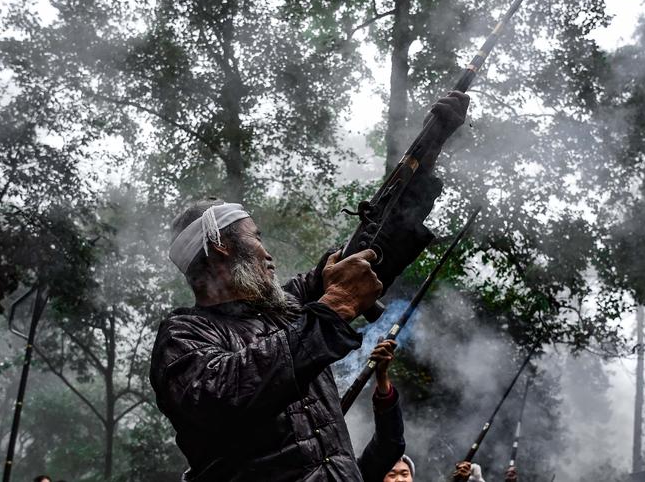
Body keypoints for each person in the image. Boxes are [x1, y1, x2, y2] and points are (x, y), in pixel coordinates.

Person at [149, 92, 468, 482]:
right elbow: (223, 396)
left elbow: (371, 250)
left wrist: (429, 149)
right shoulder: (183, 335)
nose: (267, 253)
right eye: (256, 237)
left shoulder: (289, 304)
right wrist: (333, 309)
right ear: (220, 247)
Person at [358, 339, 406, 482]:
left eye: (404, 474)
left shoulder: (349, 472)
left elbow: (388, 445)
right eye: (392, 475)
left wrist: (382, 378)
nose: (399, 480)